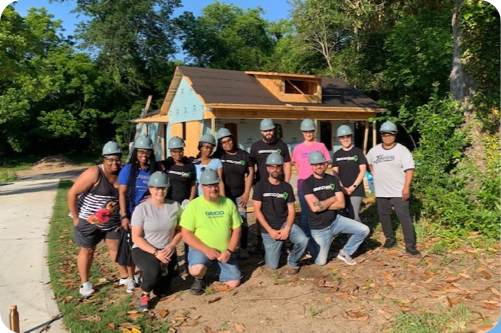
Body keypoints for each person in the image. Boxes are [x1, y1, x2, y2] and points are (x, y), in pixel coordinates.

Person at [68, 141, 134, 296]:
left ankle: (124, 277)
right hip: (89, 219)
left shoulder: (123, 173)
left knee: (115, 247)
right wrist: (76, 218)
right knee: (88, 250)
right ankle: (85, 284)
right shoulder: (95, 173)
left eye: (117, 159)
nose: (114, 163)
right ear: (104, 159)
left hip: (111, 221)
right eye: (110, 159)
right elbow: (72, 193)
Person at [180, 169, 242, 295]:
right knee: (196, 270)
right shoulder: (194, 206)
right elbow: (186, 234)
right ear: (202, 187)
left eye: (215, 185)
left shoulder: (228, 203)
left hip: (224, 251)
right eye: (209, 186)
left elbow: (237, 229)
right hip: (202, 250)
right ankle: (200, 278)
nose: (213, 189)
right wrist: (207, 250)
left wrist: (229, 250)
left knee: (234, 283)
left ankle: (218, 266)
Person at [303, 151, 370, 266]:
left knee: (364, 230)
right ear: (311, 166)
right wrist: (333, 198)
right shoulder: (308, 183)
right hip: (320, 229)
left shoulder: (333, 180)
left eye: (321, 163)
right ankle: (309, 244)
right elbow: (315, 208)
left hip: (336, 221)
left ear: (325, 163)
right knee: (321, 262)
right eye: (315, 164)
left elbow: (341, 204)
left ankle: (346, 252)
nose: (318, 166)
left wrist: (322, 204)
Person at [366, 121, 421, 256]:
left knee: (404, 217)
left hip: (398, 191)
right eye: (384, 134)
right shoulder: (374, 150)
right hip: (381, 192)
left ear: (395, 135)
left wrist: (406, 188)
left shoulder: (402, 150)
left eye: (390, 134)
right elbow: (366, 163)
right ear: (381, 135)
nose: (387, 137)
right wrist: (372, 172)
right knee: (384, 216)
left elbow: (409, 170)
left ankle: (410, 245)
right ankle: (390, 238)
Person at [131, 172, 183, 311]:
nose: (160, 191)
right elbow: (136, 237)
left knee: (163, 291)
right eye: (156, 188)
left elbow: (180, 230)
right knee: (153, 270)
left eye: (163, 188)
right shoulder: (141, 209)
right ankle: (144, 294)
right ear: (150, 188)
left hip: (167, 249)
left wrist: (172, 245)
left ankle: (152, 277)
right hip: (144, 248)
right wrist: (155, 252)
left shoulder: (175, 206)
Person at [252, 153, 308, 274]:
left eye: (278, 166)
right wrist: (270, 230)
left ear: (282, 168)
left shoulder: (286, 187)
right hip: (268, 229)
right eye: (272, 167)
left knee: (303, 240)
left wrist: (287, 228)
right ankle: (269, 248)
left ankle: (293, 260)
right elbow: (257, 210)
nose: (275, 169)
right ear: (267, 168)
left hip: (283, 224)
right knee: (273, 266)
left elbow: (292, 210)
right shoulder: (260, 186)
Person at [118, 135, 158, 292]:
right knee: (131, 247)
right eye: (141, 151)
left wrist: (152, 195)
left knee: (146, 245)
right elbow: (121, 193)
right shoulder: (128, 170)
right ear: (136, 152)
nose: (144, 155)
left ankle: (142, 275)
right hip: (132, 214)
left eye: (147, 152)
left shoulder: (153, 169)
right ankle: (130, 278)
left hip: (148, 215)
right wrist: (124, 215)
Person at [213, 128, 254, 259]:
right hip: (223, 197)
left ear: (233, 140)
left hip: (239, 196)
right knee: (224, 223)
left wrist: (247, 192)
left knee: (242, 221)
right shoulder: (218, 156)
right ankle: (225, 247)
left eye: (229, 141)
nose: (227, 144)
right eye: (223, 142)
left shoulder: (243, 155)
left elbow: (251, 172)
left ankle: (243, 248)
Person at [291, 118, 331, 254]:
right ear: (302, 132)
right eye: (306, 131)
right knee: (306, 213)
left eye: (310, 131)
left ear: (314, 131)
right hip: (303, 184)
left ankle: (320, 240)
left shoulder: (321, 146)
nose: (308, 134)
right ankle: (308, 241)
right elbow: (297, 165)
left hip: (319, 184)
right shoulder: (298, 148)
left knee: (320, 210)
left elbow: (326, 163)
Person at [332, 124, 368, 222]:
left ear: (351, 137)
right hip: (342, 189)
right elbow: (335, 173)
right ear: (339, 139)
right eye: (342, 137)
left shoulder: (358, 152)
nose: (345, 139)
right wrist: (342, 187)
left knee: (354, 215)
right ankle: (350, 237)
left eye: (347, 136)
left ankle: (360, 235)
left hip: (356, 189)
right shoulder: (337, 154)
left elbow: (362, 171)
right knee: (345, 215)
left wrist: (353, 187)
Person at [250, 118, 292, 184]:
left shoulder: (282, 145)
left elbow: (287, 165)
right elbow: (251, 167)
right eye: (265, 131)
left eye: (270, 130)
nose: (268, 133)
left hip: (279, 183)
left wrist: (286, 183)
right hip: (261, 183)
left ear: (274, 130)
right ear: (261, 131)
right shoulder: (255, 146)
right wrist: (252, 182)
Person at [161, 136, 196, 204]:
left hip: (185, 203)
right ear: (170, 152)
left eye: (180, 151)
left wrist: (190, 202)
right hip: (169, 203)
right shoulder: (166, 164)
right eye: (174, 151)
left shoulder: (190, 166)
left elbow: (193, 185)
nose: (178, 154)